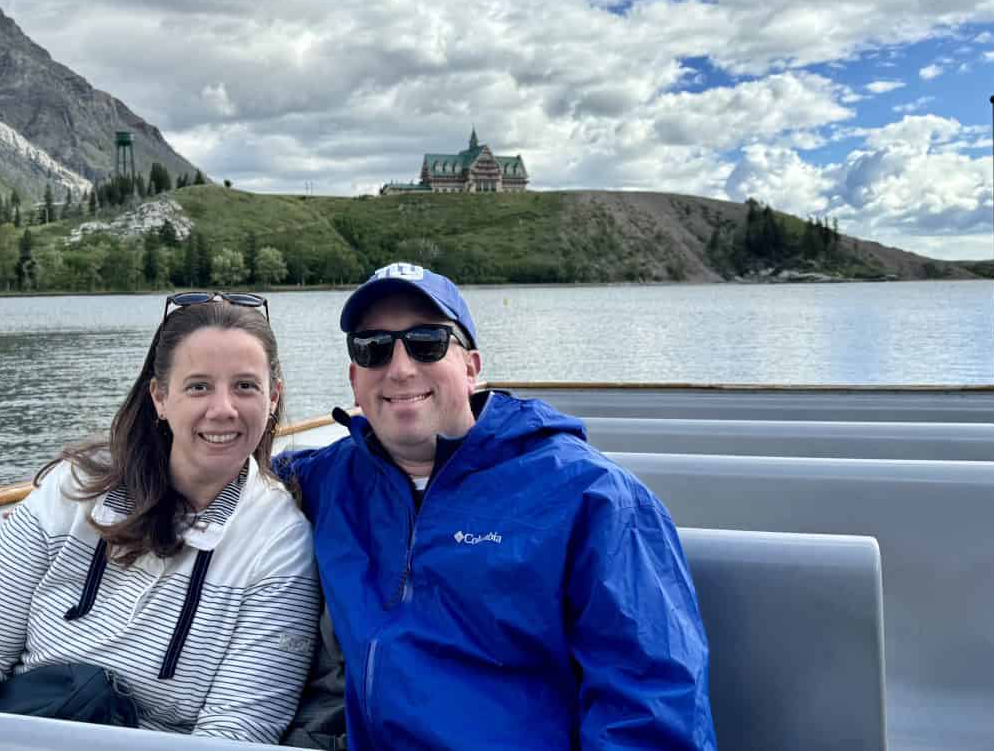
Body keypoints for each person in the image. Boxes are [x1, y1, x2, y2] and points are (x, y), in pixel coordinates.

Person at [278, 262, 716, 750]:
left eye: (427, 342)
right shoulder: (323, 480)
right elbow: (218, 471)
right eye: (374, 348)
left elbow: (651, 708)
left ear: (471, 368)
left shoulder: (593, 497)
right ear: (355, 379)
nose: (400, 368)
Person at [0, 293, 319, 742]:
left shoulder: (280, 543)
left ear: (273, 395)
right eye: (198, 386)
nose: (223, 408)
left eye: (245, 386)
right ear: (160, 397)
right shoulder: (71, 491)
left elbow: (238, 730)